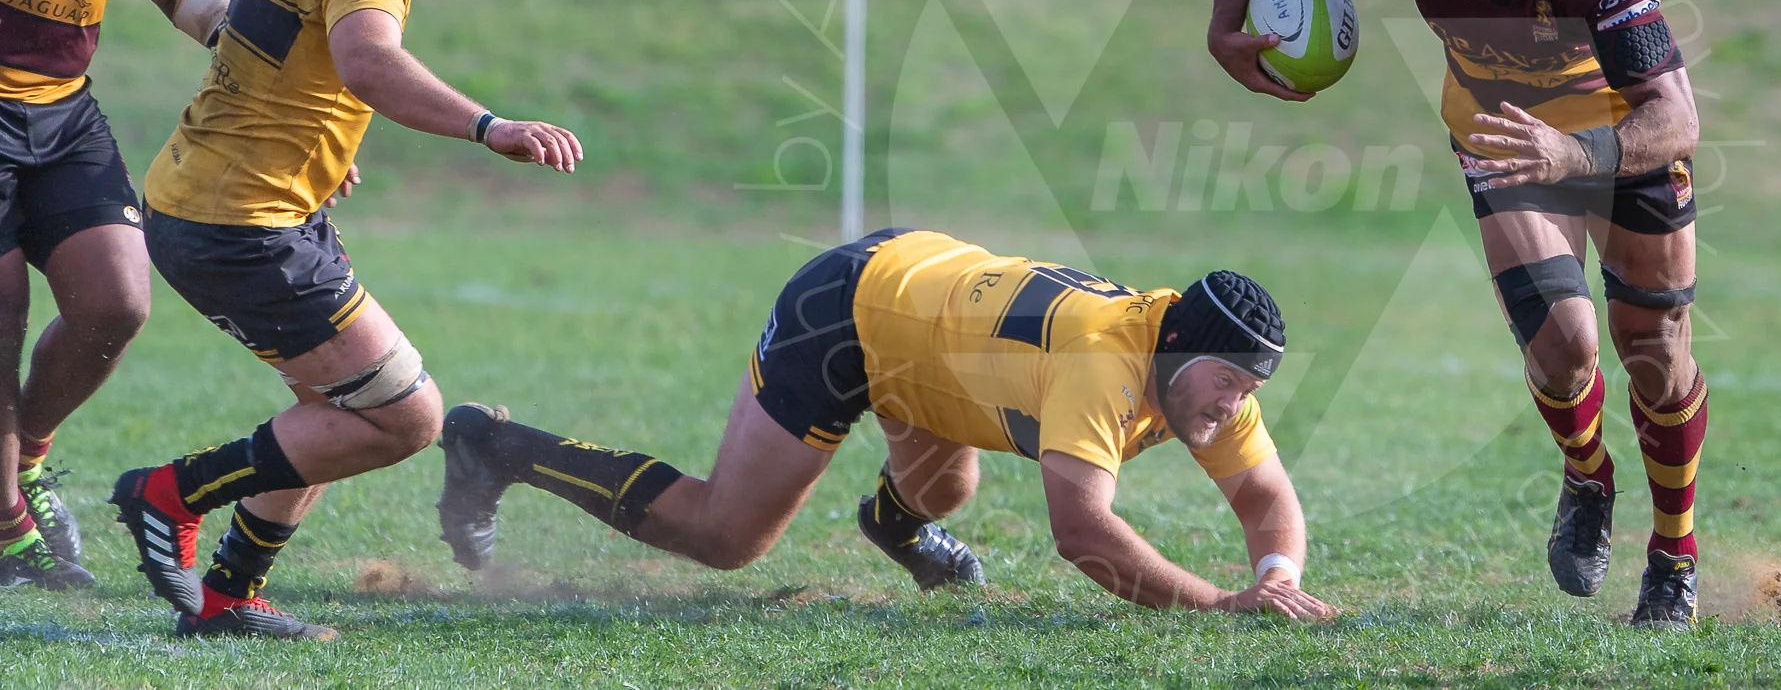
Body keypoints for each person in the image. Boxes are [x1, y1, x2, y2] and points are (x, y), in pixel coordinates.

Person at [108, 0, 584, 640]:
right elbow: (368, 62)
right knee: (406, 417)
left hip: (224, 198)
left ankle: (229, 597)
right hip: (240, 224)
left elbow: (264, 39)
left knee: (336, 410)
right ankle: (167, 495)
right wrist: (491, 126)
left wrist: (316, 145)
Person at [1208, 0, 1705, 626]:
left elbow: (1676, 120)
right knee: (1566, 345)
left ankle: (1673, 554)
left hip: (1617, 141)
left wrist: (1574, 154)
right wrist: (1222, 26)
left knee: (1653, 352)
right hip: (1500, 130)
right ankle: (1588, 474)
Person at [433, 228, 1336, 621]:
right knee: (725, 535)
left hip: (934, 316)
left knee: (949, 485)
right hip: (851, 317)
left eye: (1251, 389)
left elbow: (1266, 497)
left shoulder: (1197, 379)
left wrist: (1278, 576)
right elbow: (1082, 533)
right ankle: (495, 447)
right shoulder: (1107, 361)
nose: (1234, 406)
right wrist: (1223, 605)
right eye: (1227, 381)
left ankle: (893, 522)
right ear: (1176, 343)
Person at [0, 0, 239, 589]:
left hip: (61, 110)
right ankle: (13, 540)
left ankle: (22, 460)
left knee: (115, 303)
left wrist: (258, 46)